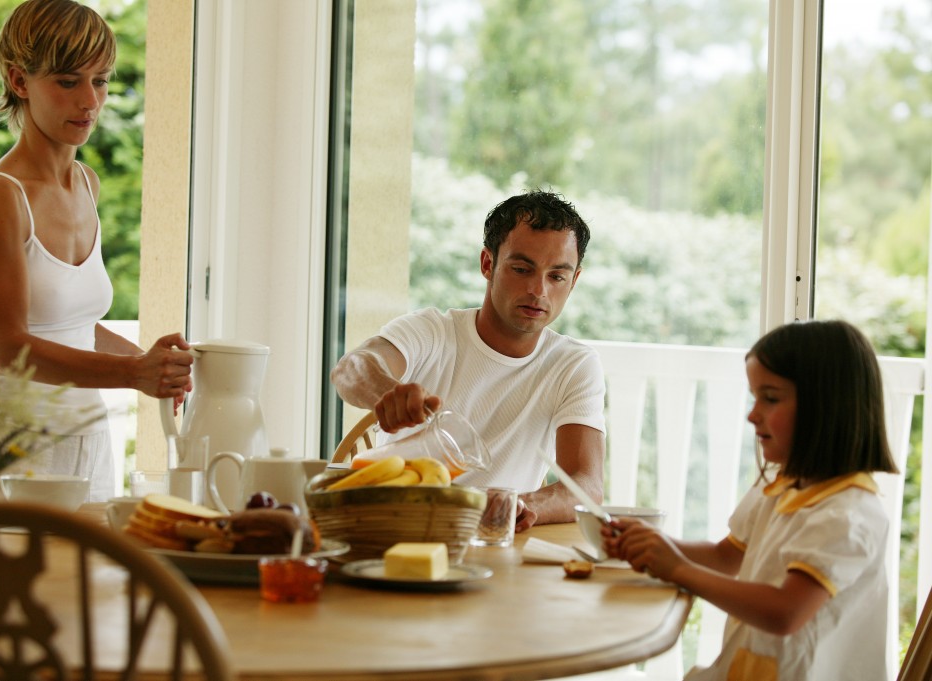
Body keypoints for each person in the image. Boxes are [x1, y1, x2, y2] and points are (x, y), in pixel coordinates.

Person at [0, 0, 193, 501]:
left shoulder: (87, 183)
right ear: (19, 80)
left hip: (90, 438)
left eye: (100, 81)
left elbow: (74, 328)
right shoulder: (0, 196)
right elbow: (10, 349)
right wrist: (134, 373)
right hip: (14, 447)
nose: (90, 101)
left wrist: (153, 365)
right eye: (67, 82)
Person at [603, 319, 898, 681]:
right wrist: (650, 545)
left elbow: (785, 612)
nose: (752, 414)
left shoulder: (848, 514)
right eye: (754, 397)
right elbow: (725, 558)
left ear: (827, 407)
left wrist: (677, 568)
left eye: (770, 398)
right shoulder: (782, 484)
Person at [330, 190, 606, 531]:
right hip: (394, 526)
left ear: (574, 280)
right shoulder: (432, 331)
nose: (539, 290)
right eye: (522, 269)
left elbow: (587, 486)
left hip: (496, 538)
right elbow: (351, 368)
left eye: (557, 276)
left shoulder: (574, 365)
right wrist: (387, 394)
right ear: (488, 264)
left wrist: (516, 505)